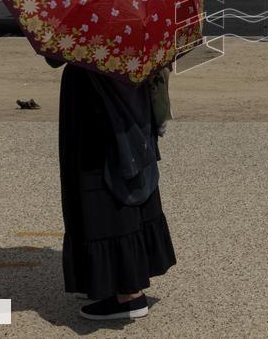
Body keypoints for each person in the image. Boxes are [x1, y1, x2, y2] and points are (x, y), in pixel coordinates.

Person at [47, 57, 177, 320]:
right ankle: (122, 279)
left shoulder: (88, 30)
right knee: (130, 172)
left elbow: (54, 56)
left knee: (101, 183)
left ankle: (128, 294)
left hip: (95, 96)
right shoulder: (145, 32)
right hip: (133, 88)